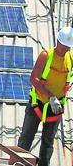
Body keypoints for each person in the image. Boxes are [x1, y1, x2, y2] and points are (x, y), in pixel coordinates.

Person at [18, 27, 73, 166]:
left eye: (68, 46)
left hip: (55, 107)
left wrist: (56, 100)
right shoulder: (46, 55)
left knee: (48, 143)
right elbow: (34, 79)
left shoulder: (70, 57)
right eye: (64, 46)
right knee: (26, 139)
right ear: (58, 42)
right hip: (38, 103)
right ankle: (20, 163)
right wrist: (50, 97)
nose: (66, 49)